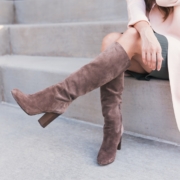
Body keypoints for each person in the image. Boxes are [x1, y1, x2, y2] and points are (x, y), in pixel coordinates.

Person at [11, 0, 180, 166]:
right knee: (110, 41)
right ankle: (112, 128)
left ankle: (57, 97)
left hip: (175, 51)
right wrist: (146, 31)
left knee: (131, 36)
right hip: (151, 45)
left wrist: (145, 33)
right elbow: (134, 6)